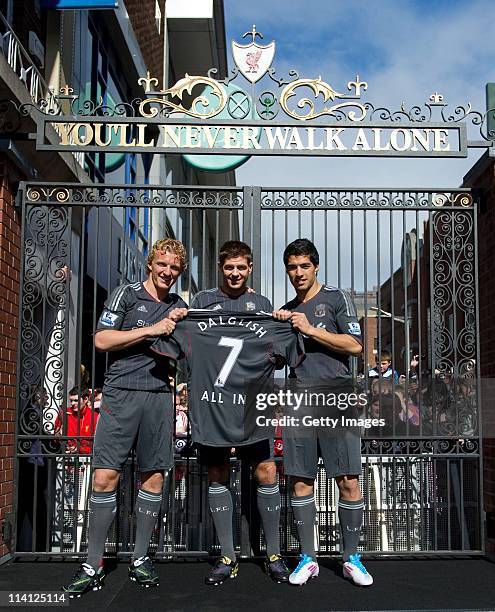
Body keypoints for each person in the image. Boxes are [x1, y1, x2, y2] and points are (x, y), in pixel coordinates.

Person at [62, 238, 188, 597]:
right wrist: (152, 328)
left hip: (159, 398)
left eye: (174, 268)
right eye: (162, 264)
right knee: (104, 477)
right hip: (119, 394)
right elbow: (102, 340)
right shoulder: (126, 294)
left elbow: (185, 348)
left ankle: (139, 558)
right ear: (151, 263)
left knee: (153, 479)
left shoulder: (179, 305)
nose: (167, 272)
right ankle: (93, 562)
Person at [188, 241, 292, 585]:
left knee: (266, 472)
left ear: (250, 268)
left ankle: (273, 554)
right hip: (213, 402)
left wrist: (278, 341)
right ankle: (228, 556)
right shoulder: (201, 302)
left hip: (251, 403)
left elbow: (276, 353)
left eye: (241, 268)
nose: (235, 273)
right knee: (218, 473)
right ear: (221, 267)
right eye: (229, 268)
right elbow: (188, 345)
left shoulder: (261, 304)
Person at [273, 238, 373, 587]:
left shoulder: (335, 298)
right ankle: (308, 558)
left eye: (303, 266)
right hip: (299, 399)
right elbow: (275, 357)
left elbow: (356, 346)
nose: (297, 273)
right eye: (291, 267)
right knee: (300, 480)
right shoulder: (286, 311)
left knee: (348, 479)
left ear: (315, 267)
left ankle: (351, 559)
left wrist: (311, 329)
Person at [55, 387, 99, 455]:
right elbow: (55, 438)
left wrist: (80, 449)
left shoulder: (95, 416)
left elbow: (98, 442)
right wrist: (58, 436)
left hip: (87, 458)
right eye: (71, 400)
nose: (72, 403)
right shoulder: (64, 414)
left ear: (86, 399)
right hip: (66, 456)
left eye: (76, 400)